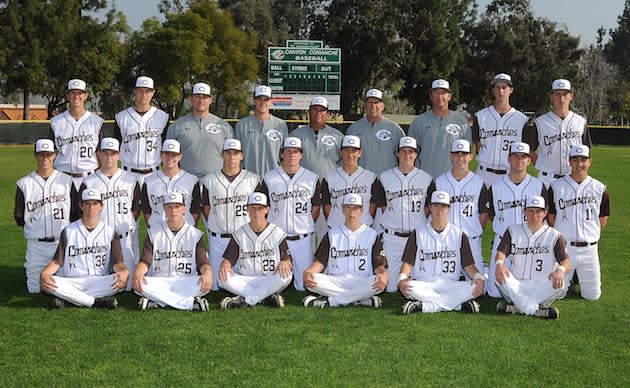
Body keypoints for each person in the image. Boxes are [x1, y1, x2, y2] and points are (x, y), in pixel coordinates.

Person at [39, 189, 129, 309]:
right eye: (87, 203)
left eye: (95, 203)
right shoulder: (69, 231)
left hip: (99, 281)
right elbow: (57, 261)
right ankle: (95, 302)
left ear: (101, 206)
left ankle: (70, 300)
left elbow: (117, 263)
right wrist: (45, 274)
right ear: (81, 206)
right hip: (73, 281)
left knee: (118, 281)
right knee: (51, 283)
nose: (91, 208)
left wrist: (124, 272)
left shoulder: (110, 232)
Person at [398, 191, 485, 314]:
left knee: (476, 287)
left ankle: (424, 306)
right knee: (409, 287)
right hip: (423, 284)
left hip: (450, 284)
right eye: (436, 205)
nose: (439, 209)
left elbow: (469, 266)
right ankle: (457, 305)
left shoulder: (459, 234)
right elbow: (408, 264)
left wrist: (479, 278)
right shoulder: (417, 233)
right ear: (430, 207)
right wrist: (401, 279)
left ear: (449, 208)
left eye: (443, 206)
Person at [14, 139, 79, 293]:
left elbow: (76, 213)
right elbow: (19, 216)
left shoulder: (67, 181)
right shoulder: (24, 184)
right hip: (36, 245)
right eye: (41, 155)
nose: (45, 158)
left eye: (48, 155)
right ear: (35, 156)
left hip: (61, 243)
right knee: (34, 290)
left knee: (64, 288)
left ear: (54, 155)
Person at [303, 194, 387, 308]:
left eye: (355, 208)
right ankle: (360, 300)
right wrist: (308, 273)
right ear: (343, 209)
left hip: (362, 281)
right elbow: (319, 263)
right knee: (312, 281)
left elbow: (379, 264)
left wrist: (382, 274)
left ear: (361, 210)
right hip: (336, 281)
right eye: (348, 207)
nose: (351, 212)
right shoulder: (332, 234)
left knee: (378, 282)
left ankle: (331, 302)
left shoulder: (371, 235)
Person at [548, 145, 610, 300]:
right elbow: (551, 217)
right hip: (565, 248)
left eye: (583, 160)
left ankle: (577, 278)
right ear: (569, 162)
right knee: (557, 294)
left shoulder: (599, 188)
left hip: (590, 249)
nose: (579, 164)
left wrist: (589, 234)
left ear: (590, 162)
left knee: (592, 296)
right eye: (575, 159)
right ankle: (567, 278)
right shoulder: (556, 187)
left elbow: (602, 219)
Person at [80, 137, 142, 290]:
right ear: (98, 155)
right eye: (105, 153)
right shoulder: (89, 181)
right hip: (99, 240)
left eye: (113, 153)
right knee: (96, 282)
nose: (109, 157)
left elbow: (136, 209)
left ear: (119, 155)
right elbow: (83, 210)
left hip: (124, 238)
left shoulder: (131, 179)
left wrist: (126, 221)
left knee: (127, 285)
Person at [133, 192, 212, 311]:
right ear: (164, 209)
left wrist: (207, 273)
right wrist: (138, 273)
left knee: (204, 283)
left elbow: (203, 263)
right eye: (169, 207)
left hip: (186, 280)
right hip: (160, 281)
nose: (173, 210)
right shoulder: (153, 233)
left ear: (184, 209)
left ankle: (157, 302)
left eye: (177, 206)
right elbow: (145, 261)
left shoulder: (195, 234)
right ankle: (190, 304)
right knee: (140, 285)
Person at [373, 136, 433, 292]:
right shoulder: (384, 178)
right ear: (397, 154)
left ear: (416, 154)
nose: (407, 155)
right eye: (404, 151)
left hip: (417, 236)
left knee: (420, 282)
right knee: (391, 288)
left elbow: (428, 209)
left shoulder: (426, 179)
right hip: (393, 238)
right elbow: (384, 207)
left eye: (411, 152)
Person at [495, 196, 570, 319]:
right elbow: (501, 253)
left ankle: (517, 307)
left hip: (541, 286)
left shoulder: (555, 236)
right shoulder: (512, 230)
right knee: (500, 276)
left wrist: (560, 270)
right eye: (530, 211)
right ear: (524, 212)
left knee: (561, 282)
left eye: (538, 211)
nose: (534, 215)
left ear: (545, 213)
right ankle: (535, 310)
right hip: (516, 285)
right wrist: (499, 265)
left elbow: (566, 262)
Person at [260, 137, 321, 291]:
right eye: (288, 151)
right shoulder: (269, 178)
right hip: (277, 238)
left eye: (296, 152)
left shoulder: (312, 178)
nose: (292, 155)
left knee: (304, 285)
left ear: (301, 155)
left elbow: (315, 207)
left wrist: (304, 222)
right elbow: (263, 207)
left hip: (302, 238)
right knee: (274, 284)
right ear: (282, 154)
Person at [487, 142, 546, 297]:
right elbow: (491, 215)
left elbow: (544, 216)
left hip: (529, 244)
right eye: (515, 156)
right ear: (509, 159)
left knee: (527, 290)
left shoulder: (538, 186)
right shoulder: (495, 187)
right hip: (502, 243)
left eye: (524, 156)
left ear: (529, 160)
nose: (519, 160)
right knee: (494, 292)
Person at [200, 139, 260, 291]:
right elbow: (206, 208)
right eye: (228, 153)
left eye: (235, 153)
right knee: (215, 284)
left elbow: (259, 209)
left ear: (242, 156)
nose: (231, 157)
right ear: (222, 155)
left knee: (246, 276)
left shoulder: (253, 180)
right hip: (218, 238)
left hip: (243, 237)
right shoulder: (209, 180)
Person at [218, 192, 292, 309]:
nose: (256, 212)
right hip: (245, 281)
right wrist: (225, 265)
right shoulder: (239, 233)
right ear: (247, 209)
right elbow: (228, 260)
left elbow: (288, 261)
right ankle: (265, 297)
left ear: (267, 210)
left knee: (286, 276)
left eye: (260, 208)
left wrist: (285, 262)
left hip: (269, 278)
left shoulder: (277, 232)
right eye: (253, 208)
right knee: (222, 277)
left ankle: (247, 300)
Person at [434, 139, 490, 280]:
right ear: (451, 156)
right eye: (457, 154)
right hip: (446, 240)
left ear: (470, 156)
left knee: (479, 285)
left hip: (471, 240)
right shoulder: (440, 182)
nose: (460, 158)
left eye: (464, 154)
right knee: (443, 281)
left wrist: (474, 230)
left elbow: (483, 213)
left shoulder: (478, 182)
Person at [530, 79, 592, 187]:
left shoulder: (580, 122)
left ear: (571, 96)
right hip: (546, 179)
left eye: (565, 94)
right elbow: (530, 150)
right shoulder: (540, 122)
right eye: (557, 94)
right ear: (551, 96)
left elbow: (586, 150)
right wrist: (543, 165)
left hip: (572, 177)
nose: (561, 98)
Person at [473, 73, 530, 187]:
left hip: (509, 174)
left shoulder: (521, 119)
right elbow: (478, 146)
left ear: (511, 90)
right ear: (493, 90)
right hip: (484, 174)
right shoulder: (480, 116)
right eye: (497, 88)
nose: (501, 91)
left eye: (504, 87)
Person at [166, 82, 233, 177]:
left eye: (205, 97)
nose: (201, 100)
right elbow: (168, 157)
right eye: (197, 96)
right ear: (191, 99)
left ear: (210, 100)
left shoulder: (224, 126)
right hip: (184, 180)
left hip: (217, 180)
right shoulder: (177, 126)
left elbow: (232, 157)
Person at [408, 79, 471, 178]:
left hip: (453, 180)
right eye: (436, 93)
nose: (440, 96)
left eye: (443, 93)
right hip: (425, 179)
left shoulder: (462, 122)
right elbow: (410, 154)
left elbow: (467, 155)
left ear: (449, 96)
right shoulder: (418, 122)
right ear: (431, 96)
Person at [113, 76, 169, 187]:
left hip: (155, 173)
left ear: (153, 93)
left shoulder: (162, 117)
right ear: (135, 92)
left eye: (147, 91)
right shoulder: (121, 117)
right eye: (140, 90)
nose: (144, 94)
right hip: (127, 174)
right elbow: (115, 147)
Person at [49, 79, 104, 189]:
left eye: (80, 93)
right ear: (67, 96)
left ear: (85, 96)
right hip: (62, 178)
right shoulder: (56, 122)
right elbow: (52, 152)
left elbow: (100, 153)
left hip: (89, 177)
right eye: (73, 93)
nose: (76, 96)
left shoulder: (96, 122)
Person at [141, 139, 201, 229]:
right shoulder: (149, 181)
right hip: (158, 231)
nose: (170, 158)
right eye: (167, 154)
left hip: (185, 231)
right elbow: (146, 211)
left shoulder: (192, 180)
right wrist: (153, 228)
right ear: (161, 155)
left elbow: (195, 210)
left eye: (174, 154)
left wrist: (189, 229)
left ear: (180, 156)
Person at [321, 135, 378, 229]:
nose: (350, 154)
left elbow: (373, 205)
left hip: (363, 230)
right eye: (346, 150)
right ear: (340, 153)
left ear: (360, 153)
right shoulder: (329, 178)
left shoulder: (371, 178)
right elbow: (327, 206)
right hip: (337, 229)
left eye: (354, 151)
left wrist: (366, 223)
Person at [346, 89, 405, 175]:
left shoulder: (394, 129)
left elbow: (404, 156)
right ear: (365, 105)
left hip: (388, 179)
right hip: (361, 180)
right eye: (370, 102)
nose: (373, 106)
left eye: (376, 103)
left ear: (382, 106)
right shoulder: (354, 129)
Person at [234, 85, 288, 176]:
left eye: (266, 99)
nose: (263, 103)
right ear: (254, 101)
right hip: (246, 178)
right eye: (259, 99)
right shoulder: (242, 125)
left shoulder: (281, 125)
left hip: (274, 178)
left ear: (271, 101)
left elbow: (285, 155)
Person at [290, 96, 344, 177]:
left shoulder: (338, 136)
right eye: (315, 109)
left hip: (330, 184)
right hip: (302, 184)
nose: (318, 113)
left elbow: (344, 162)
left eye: (322, 110)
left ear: (327, 114)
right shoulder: (296, 135)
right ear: (309, 112)